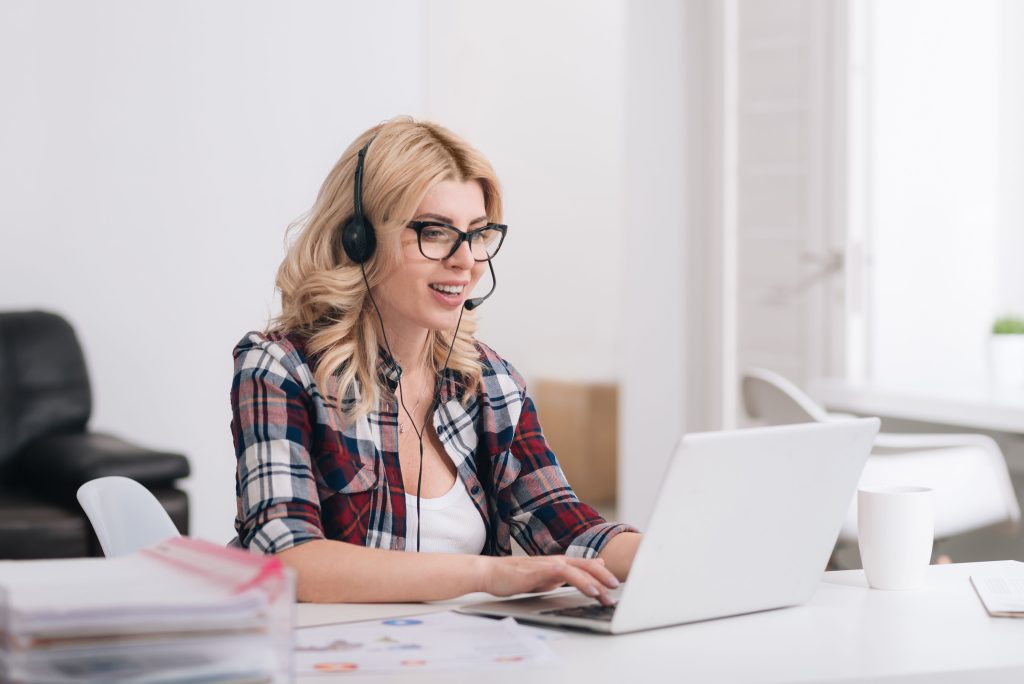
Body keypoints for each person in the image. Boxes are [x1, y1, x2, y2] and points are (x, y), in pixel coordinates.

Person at [230, 116, 641, 605]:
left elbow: (564, 525)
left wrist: (676, 555)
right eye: (435, 232)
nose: (466, 260)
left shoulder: (491, 381)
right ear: (358, 239)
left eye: (478, 233)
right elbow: (288, 559)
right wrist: (487, 574)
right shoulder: (280, 368)